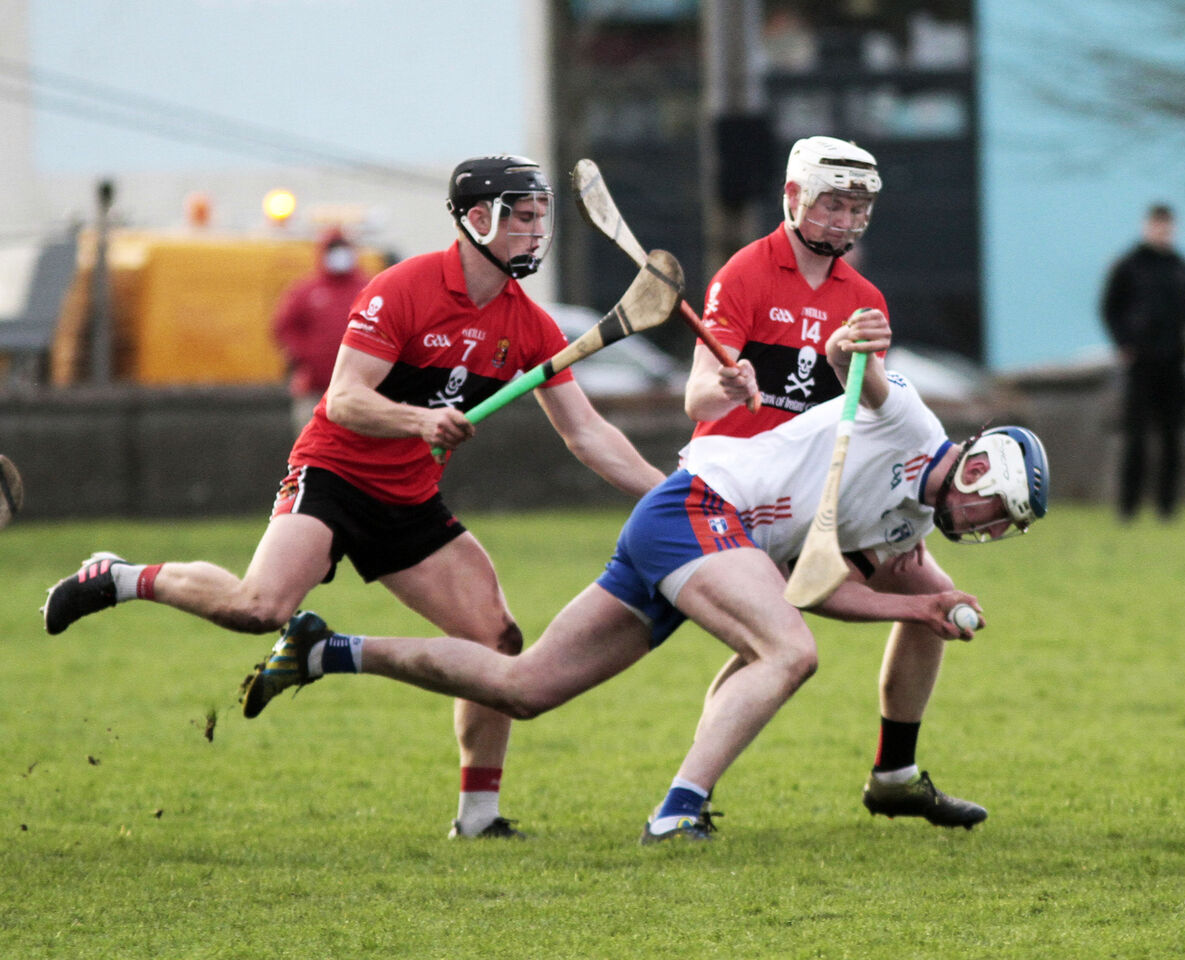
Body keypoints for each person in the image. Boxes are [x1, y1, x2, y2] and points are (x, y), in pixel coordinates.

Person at [236, 310, 1049, 843]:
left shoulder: (906, 524)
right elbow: (862, 372)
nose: (991, 531)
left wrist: (926, 605)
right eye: (998, 514)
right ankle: (680, 809)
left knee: (527, 688)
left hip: (703, 533)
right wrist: (851, 347)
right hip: (698, 506)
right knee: (787, 654)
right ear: (978, 472)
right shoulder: (912, 421)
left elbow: (815, 588)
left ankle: (325, 651)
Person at [41, 154, 667, 839]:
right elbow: (343, 400)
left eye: (540, 217)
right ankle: (121, 577)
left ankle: (479, 817)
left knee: (496, 640)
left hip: (409, 501)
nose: (535, 231)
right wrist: (418, 420)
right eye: (523, 216)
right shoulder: (403, 289)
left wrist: (672, 496)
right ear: (478, 218)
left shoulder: (528, 323)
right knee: (259, 608)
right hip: (334, 478)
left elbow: (588, 434)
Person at [682, 135, 985, 827]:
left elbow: (881, 413)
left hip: (823, 492)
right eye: (834, 204)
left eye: (858, 207)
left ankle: (895, 774)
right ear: (793, 197)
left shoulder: (865, 296)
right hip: (735, 492)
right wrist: (729, 387)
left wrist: (898, 520)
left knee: (936, 598)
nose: (847, 220)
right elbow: (698, 401)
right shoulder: (745, 273)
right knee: (769, 647)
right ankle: (688, 793)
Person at [1101, 203, 1185, 520]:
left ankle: (1167, 508)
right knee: (1136, 438)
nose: (1162, 232)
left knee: (1172, 437)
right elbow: (1110, 307)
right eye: (1157, 226)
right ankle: (1128, 508)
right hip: (1140, 363)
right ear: (1147, 226)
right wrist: (1124, 343)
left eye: (1167, 227)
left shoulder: (1181, 267)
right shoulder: (1129, 266)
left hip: (1173, 363)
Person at [272, 227, 374, 436]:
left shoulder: (368, 289)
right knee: (312, 448)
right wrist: (304, 355)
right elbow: (284, 326)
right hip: (314, 389)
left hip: (359, 391)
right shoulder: (307, 291)